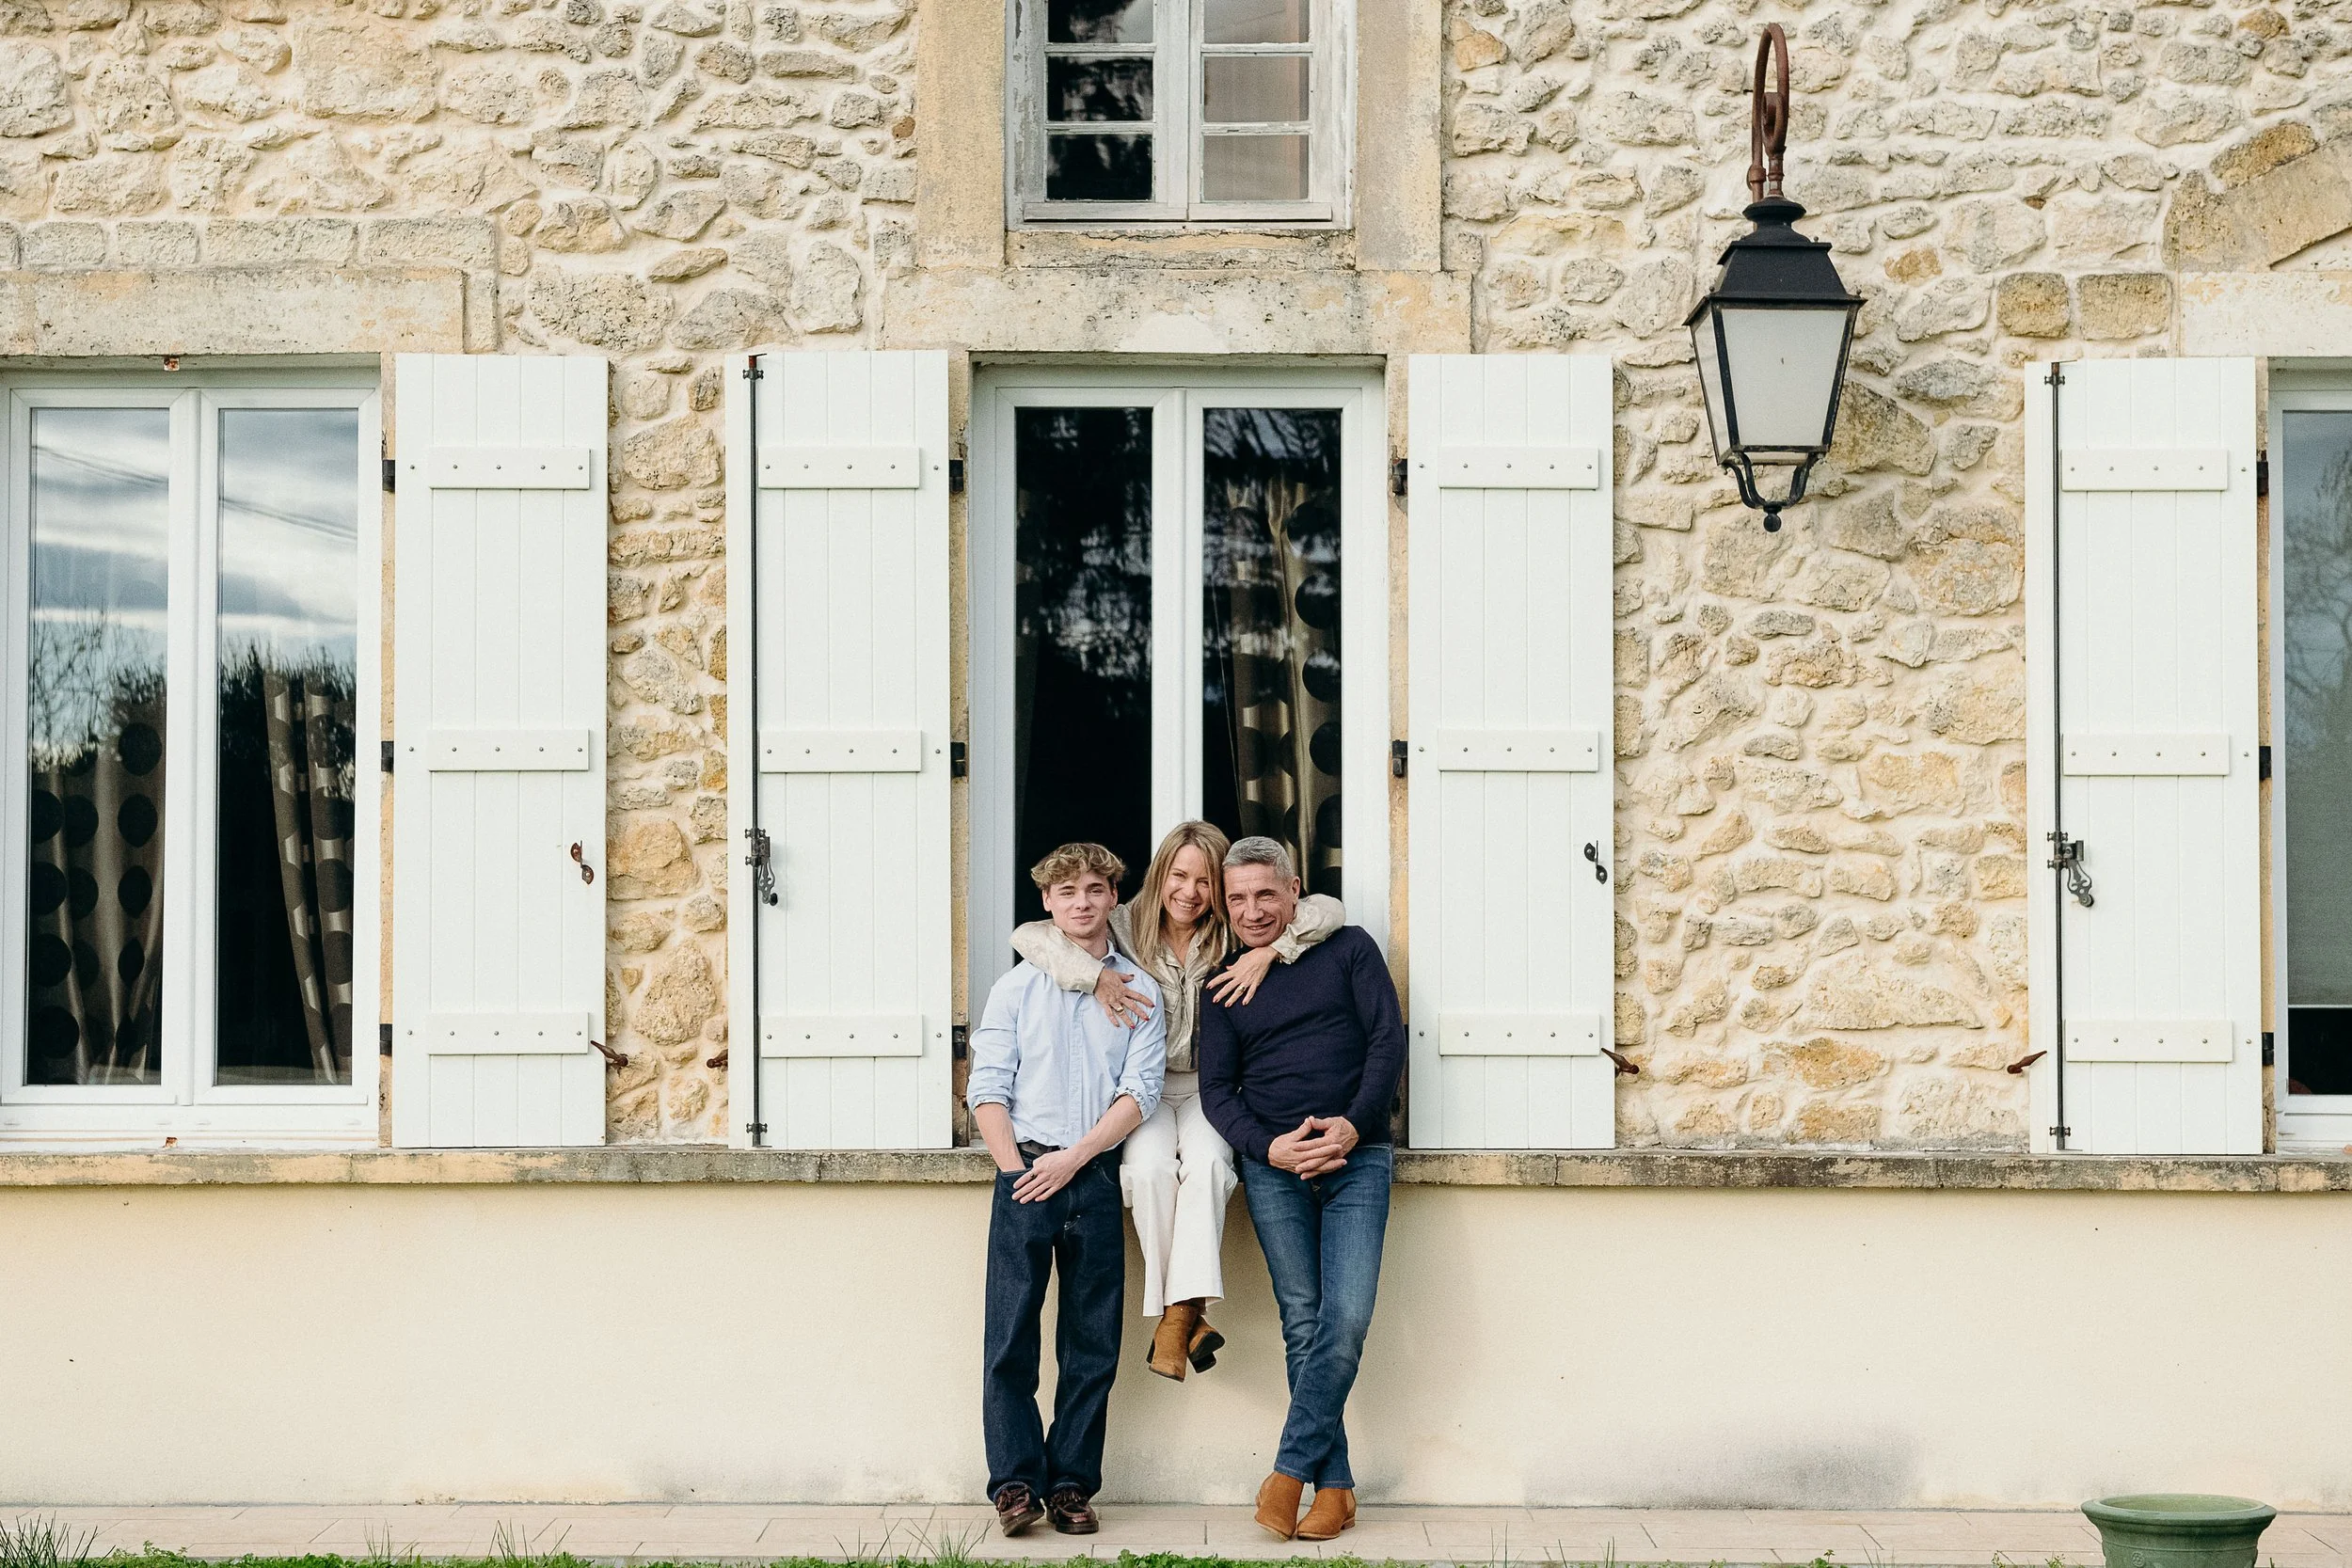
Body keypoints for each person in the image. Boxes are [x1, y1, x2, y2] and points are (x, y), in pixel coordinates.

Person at [1010, 820, 1343, 1383]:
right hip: (1140, 1088)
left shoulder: (1233, 932)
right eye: (1178, 876)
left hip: (1213, 1089)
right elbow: (1029, 937)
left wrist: (1272, 953)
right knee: (1146, 1171)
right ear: (1160, 873)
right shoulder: (1122, 924)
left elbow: (1327, 910)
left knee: (1212, 1165)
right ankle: (1189, 1313)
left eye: (1204, 881)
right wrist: (1094, 976)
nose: (1189, 892)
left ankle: (1176, 1316)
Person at [1197, 836, 1406, 1545]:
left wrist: (1350, 1127)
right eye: (1237, 899)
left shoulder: (1349, 948)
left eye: (1265, 893)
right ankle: (1336, 1487)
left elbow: (1387, 1041)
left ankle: (1288, 1472)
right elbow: (1217, 1092)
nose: (1252, 910)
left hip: (1358, 1158)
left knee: (1343, 1317)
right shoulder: (1223, 982)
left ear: (1294, 890)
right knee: (1303, 1320)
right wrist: (1268, 1146)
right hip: (1275, 1168)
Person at [966, 843, 1168, 1539]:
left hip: (1093, 1176)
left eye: (1094, 887)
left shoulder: (1140, 989)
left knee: (1092, 1343)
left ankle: (1073, 1483)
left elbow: (1138, 1092)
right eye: (1067, 891)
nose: (1082, 900)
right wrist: (1016, 1168)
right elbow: (987, 1087)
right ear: (1047, 903)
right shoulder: (1015, 988)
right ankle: (1016, 1481)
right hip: (1023, 1175)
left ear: (1114, 896)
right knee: (1011, 1336)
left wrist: (1077, 1156)